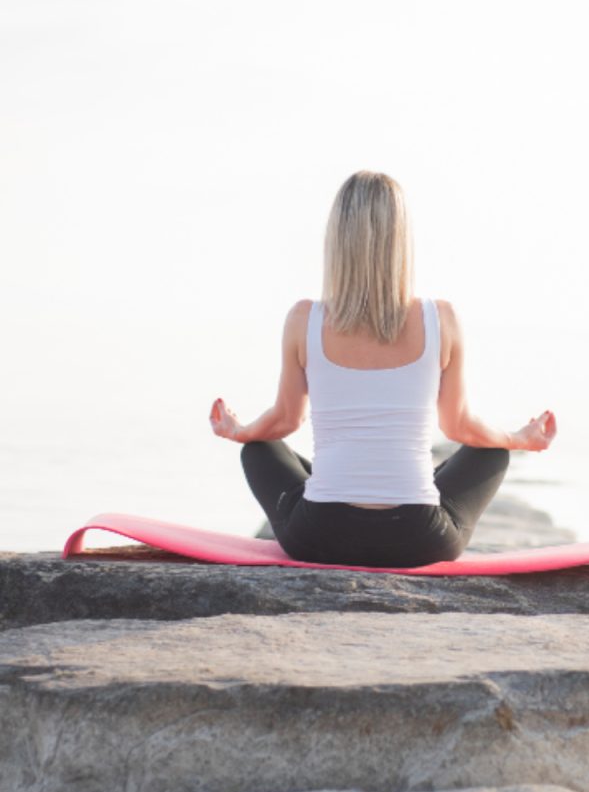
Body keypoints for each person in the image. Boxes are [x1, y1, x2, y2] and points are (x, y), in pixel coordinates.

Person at [209, 170, 556, 568]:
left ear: (336, 239)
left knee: (259, 449)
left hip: (319, 536)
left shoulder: (303, 318)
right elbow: (460, 427)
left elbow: (285, 420)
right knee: (492, 454)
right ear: (402, 240)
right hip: (418, 540)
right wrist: (519, 438)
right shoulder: (440, 318)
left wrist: (240, 432)